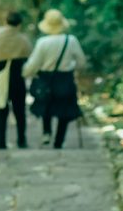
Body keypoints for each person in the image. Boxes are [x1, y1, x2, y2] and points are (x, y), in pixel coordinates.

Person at [24, 9, 87, 148]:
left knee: (46, 105)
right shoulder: (71, 41)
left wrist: (26, 73)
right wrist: (73, 67)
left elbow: (34, 63)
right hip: (65, 79)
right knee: (63, 111)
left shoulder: (43, 42)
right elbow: (81, 61)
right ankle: (59, 141)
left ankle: (47, 132)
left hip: (46, 79)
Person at [0, 11, 33, 149]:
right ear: (20, 24)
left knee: (2, 110)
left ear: (5, 22)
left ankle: (1, 142)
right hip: (17, 77)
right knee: (20, 110)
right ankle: (21, 140)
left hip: (1, 77)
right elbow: (30, 57)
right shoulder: (23, 39)